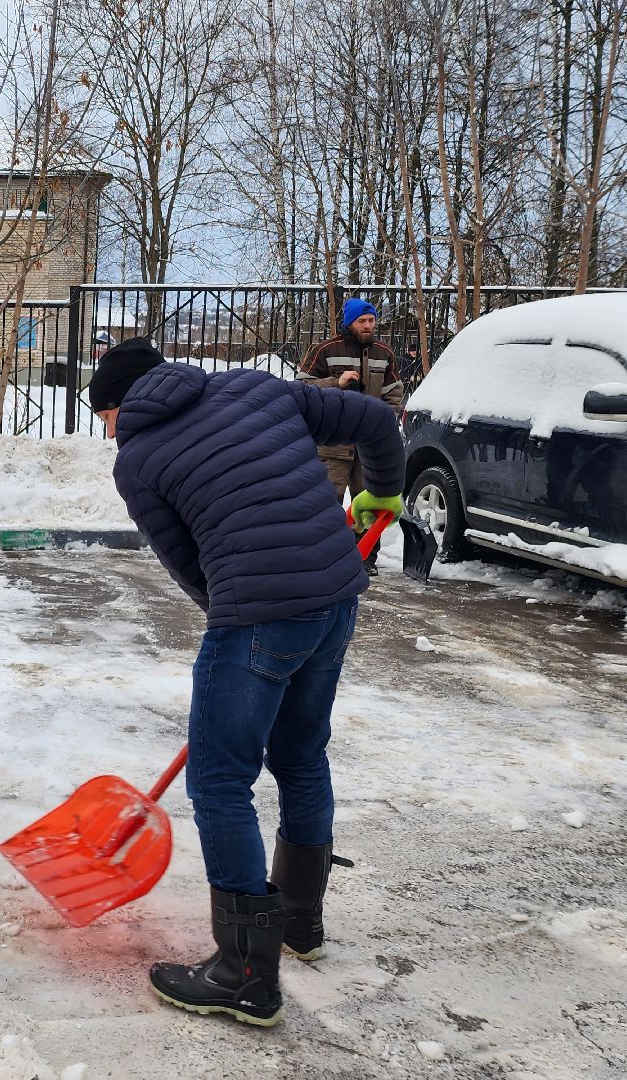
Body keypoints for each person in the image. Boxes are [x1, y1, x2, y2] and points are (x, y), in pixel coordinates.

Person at [88, 337, 404, 1027]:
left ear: (119, 406)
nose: (108, 431)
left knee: (220, 782)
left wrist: (242, 617)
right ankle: (299, 923)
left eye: (104, 417)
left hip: (259, 615)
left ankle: (245, 976)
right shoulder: (258, 388)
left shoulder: (137, 460)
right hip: (336, 599)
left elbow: (186, 563)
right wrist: (384, 488)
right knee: (301, 756)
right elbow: (376, 420)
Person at [297, 299, 403, 574]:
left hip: (368, 444)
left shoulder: (384, 353)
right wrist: (337, 383)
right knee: (326, 501)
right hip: (333, 442)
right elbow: (302, 387)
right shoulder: (325, 350)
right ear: (349, 323)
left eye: (371, 320)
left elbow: (393, 392)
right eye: (361, 321)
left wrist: (384, 421)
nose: (368, 326)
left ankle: (364, 558)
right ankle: (323, 558)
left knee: (368, 502)